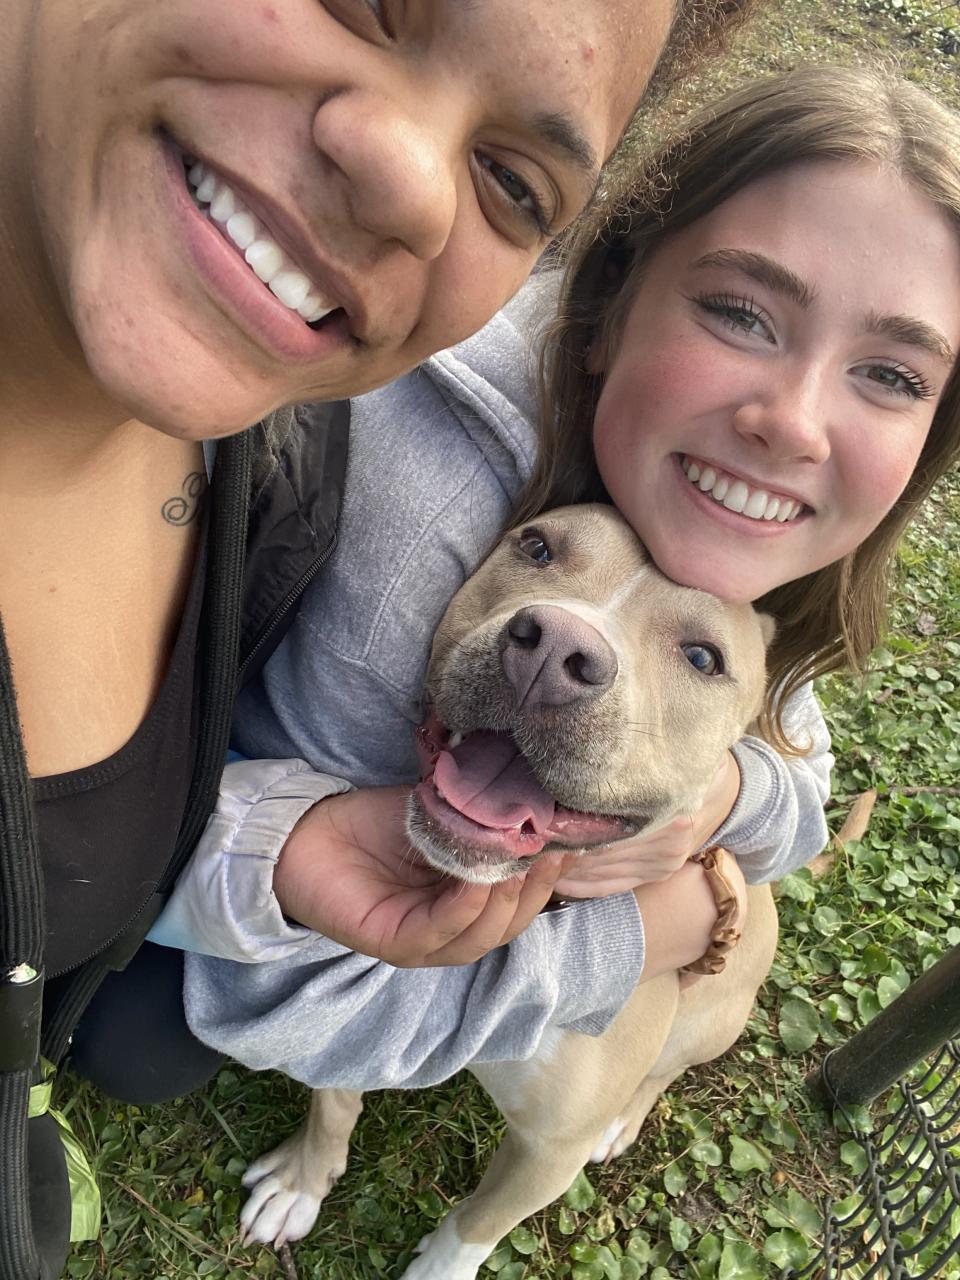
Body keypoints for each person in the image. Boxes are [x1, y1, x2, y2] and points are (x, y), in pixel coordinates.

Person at [0, 2, 761, 1276]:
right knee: (140, 1045)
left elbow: (787, 729)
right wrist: (650, 927)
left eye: (514, 183)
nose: (407, 175)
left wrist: (740, 824)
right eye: (362, 2)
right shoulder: (366, 479)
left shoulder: (279, 467)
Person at [161, 62, 960, 1178]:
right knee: (140, 1042)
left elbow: (795, 750)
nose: (792, 424)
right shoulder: (415, 535)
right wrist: (658, 927)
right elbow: (300, 983)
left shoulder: (744, 533)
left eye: (893, 374)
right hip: (196, 856)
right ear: (610, 303)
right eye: (740, 312)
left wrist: (723, 801)